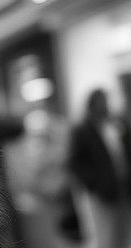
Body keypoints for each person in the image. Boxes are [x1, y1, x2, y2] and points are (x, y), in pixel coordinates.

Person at [68, 89, 131, 247]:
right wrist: (95, 183)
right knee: (106, 235)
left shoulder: (114, 125)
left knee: (123, 233)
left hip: (122, 187)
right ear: (92, 105)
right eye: (101, 101)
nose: (105, 105)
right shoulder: (82, 130)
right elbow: (75, 163)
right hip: (102, 192)